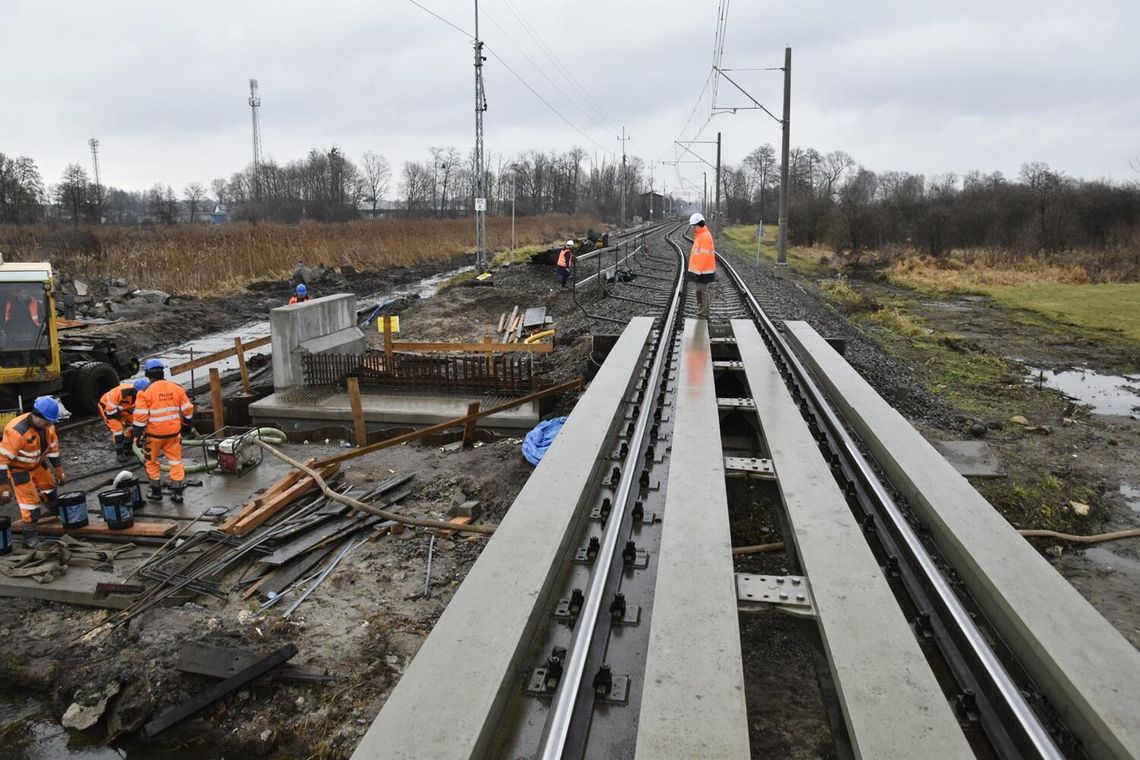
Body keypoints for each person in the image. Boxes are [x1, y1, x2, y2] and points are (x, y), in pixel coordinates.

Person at [0, 396, 64, 548]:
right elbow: (2, 460)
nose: (49, 424)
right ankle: (30, 537)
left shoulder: (48, 427)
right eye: (47, 421)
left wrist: (58, 469)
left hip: (38, 464)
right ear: (36, 415)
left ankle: (57, 514)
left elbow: (53, 449)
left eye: (51, 421)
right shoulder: (17, 432)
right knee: (31, 505)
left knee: (50, 489)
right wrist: (3, 485)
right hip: (19, 470)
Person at [133, 359, 195, 504]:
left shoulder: (144, 392)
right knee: (175, 462)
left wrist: (136, 435)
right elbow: (188, 410)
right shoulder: (176, 388)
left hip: (153, 437)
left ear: (147, 373)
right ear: (162, 372)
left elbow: (140, 417)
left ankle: (156, 493)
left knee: (151, 462)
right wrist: (186, 424)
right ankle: (177, 493)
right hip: (173, 435)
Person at [99, 377, 150, 462]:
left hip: (122, 408)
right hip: (107, 408)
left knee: (134, 423)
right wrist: (122, 421)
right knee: (118, 429)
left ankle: (128, 447)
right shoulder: (122, 392)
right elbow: (110, 410)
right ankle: (120, 453)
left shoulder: (141, 395)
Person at [687, 212, 716, 319]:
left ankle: (702, 315)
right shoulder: (702, 235)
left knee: (701, 293)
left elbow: (703, 257)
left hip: (703, 271)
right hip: (701, 270)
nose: (693, 228)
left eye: (694, 226)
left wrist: (696, 272)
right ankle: (703, 313)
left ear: (698, 224)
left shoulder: (704, 236)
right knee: (701, 292)